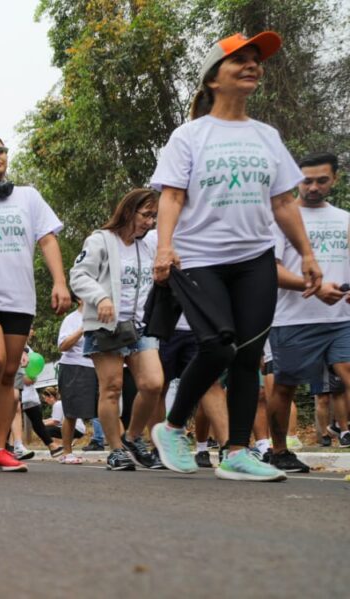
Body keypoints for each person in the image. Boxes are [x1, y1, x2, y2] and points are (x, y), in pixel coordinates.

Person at [149, 32, 321, 482]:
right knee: (219, 344)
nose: (251, 66)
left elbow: (283, 203)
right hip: (199, 258)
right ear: (213, 79)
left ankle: (239, 451)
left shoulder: (267, 135)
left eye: (254, 60)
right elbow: (171, 196)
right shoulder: (190, 135)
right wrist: (165, 246)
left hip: (255, 260)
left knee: (246, 357)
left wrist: (306, 254)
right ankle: (170, 427)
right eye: (238, 60)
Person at [0, 134, 71, 472]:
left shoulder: (28, 197)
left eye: (1, 150)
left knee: (9, 372)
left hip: (19, 296)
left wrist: (60, 283)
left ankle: (1, 446)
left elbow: (47, 239)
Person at [267, 152, 350, 473]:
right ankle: (278, 451)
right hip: (293, 318)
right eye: (306, 181)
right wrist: (315, 285)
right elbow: (271, 272)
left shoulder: (344, 219)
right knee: (285, 385)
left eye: (322, 180)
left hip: (341, 318)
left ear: (335, 180)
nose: (313, 187)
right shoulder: (280, 220)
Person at [70, 188, 164, 471]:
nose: (150, 222)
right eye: (146, 215)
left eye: (154, 217)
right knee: (111, 388)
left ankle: (133, 436)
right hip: (106, 325)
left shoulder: (147, 246)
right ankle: (116, 449)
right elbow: (78, 275)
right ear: (128, 211)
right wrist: (101, 298)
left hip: (140, 326)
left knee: (153, 384)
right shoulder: (101, 240)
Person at [56, 296, 99, 462]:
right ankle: (67, 452)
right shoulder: (71, 319)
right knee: (71, 412)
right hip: (74, 367)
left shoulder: (102, 316)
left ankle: (120, 449)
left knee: (108, 408)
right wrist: (82, 329)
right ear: (80, 299)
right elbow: (62, 346)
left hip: (98, 366)